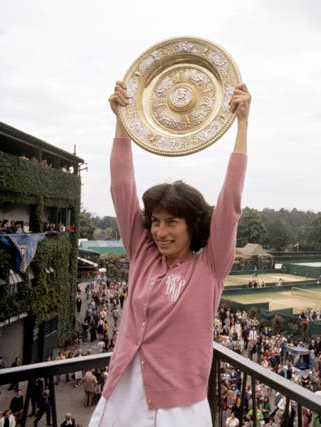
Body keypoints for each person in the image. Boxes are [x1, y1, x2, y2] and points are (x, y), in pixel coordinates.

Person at [89, 80, 251, 427]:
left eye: (171, 222)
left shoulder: (209, 267)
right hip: (122, 394)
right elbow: (122, 187)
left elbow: (230, 205)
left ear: (192, 224)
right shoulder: (143, 254)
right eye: (156, 222)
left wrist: (242, 124)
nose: (160, 232)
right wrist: (123, 118)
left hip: (181, 409)